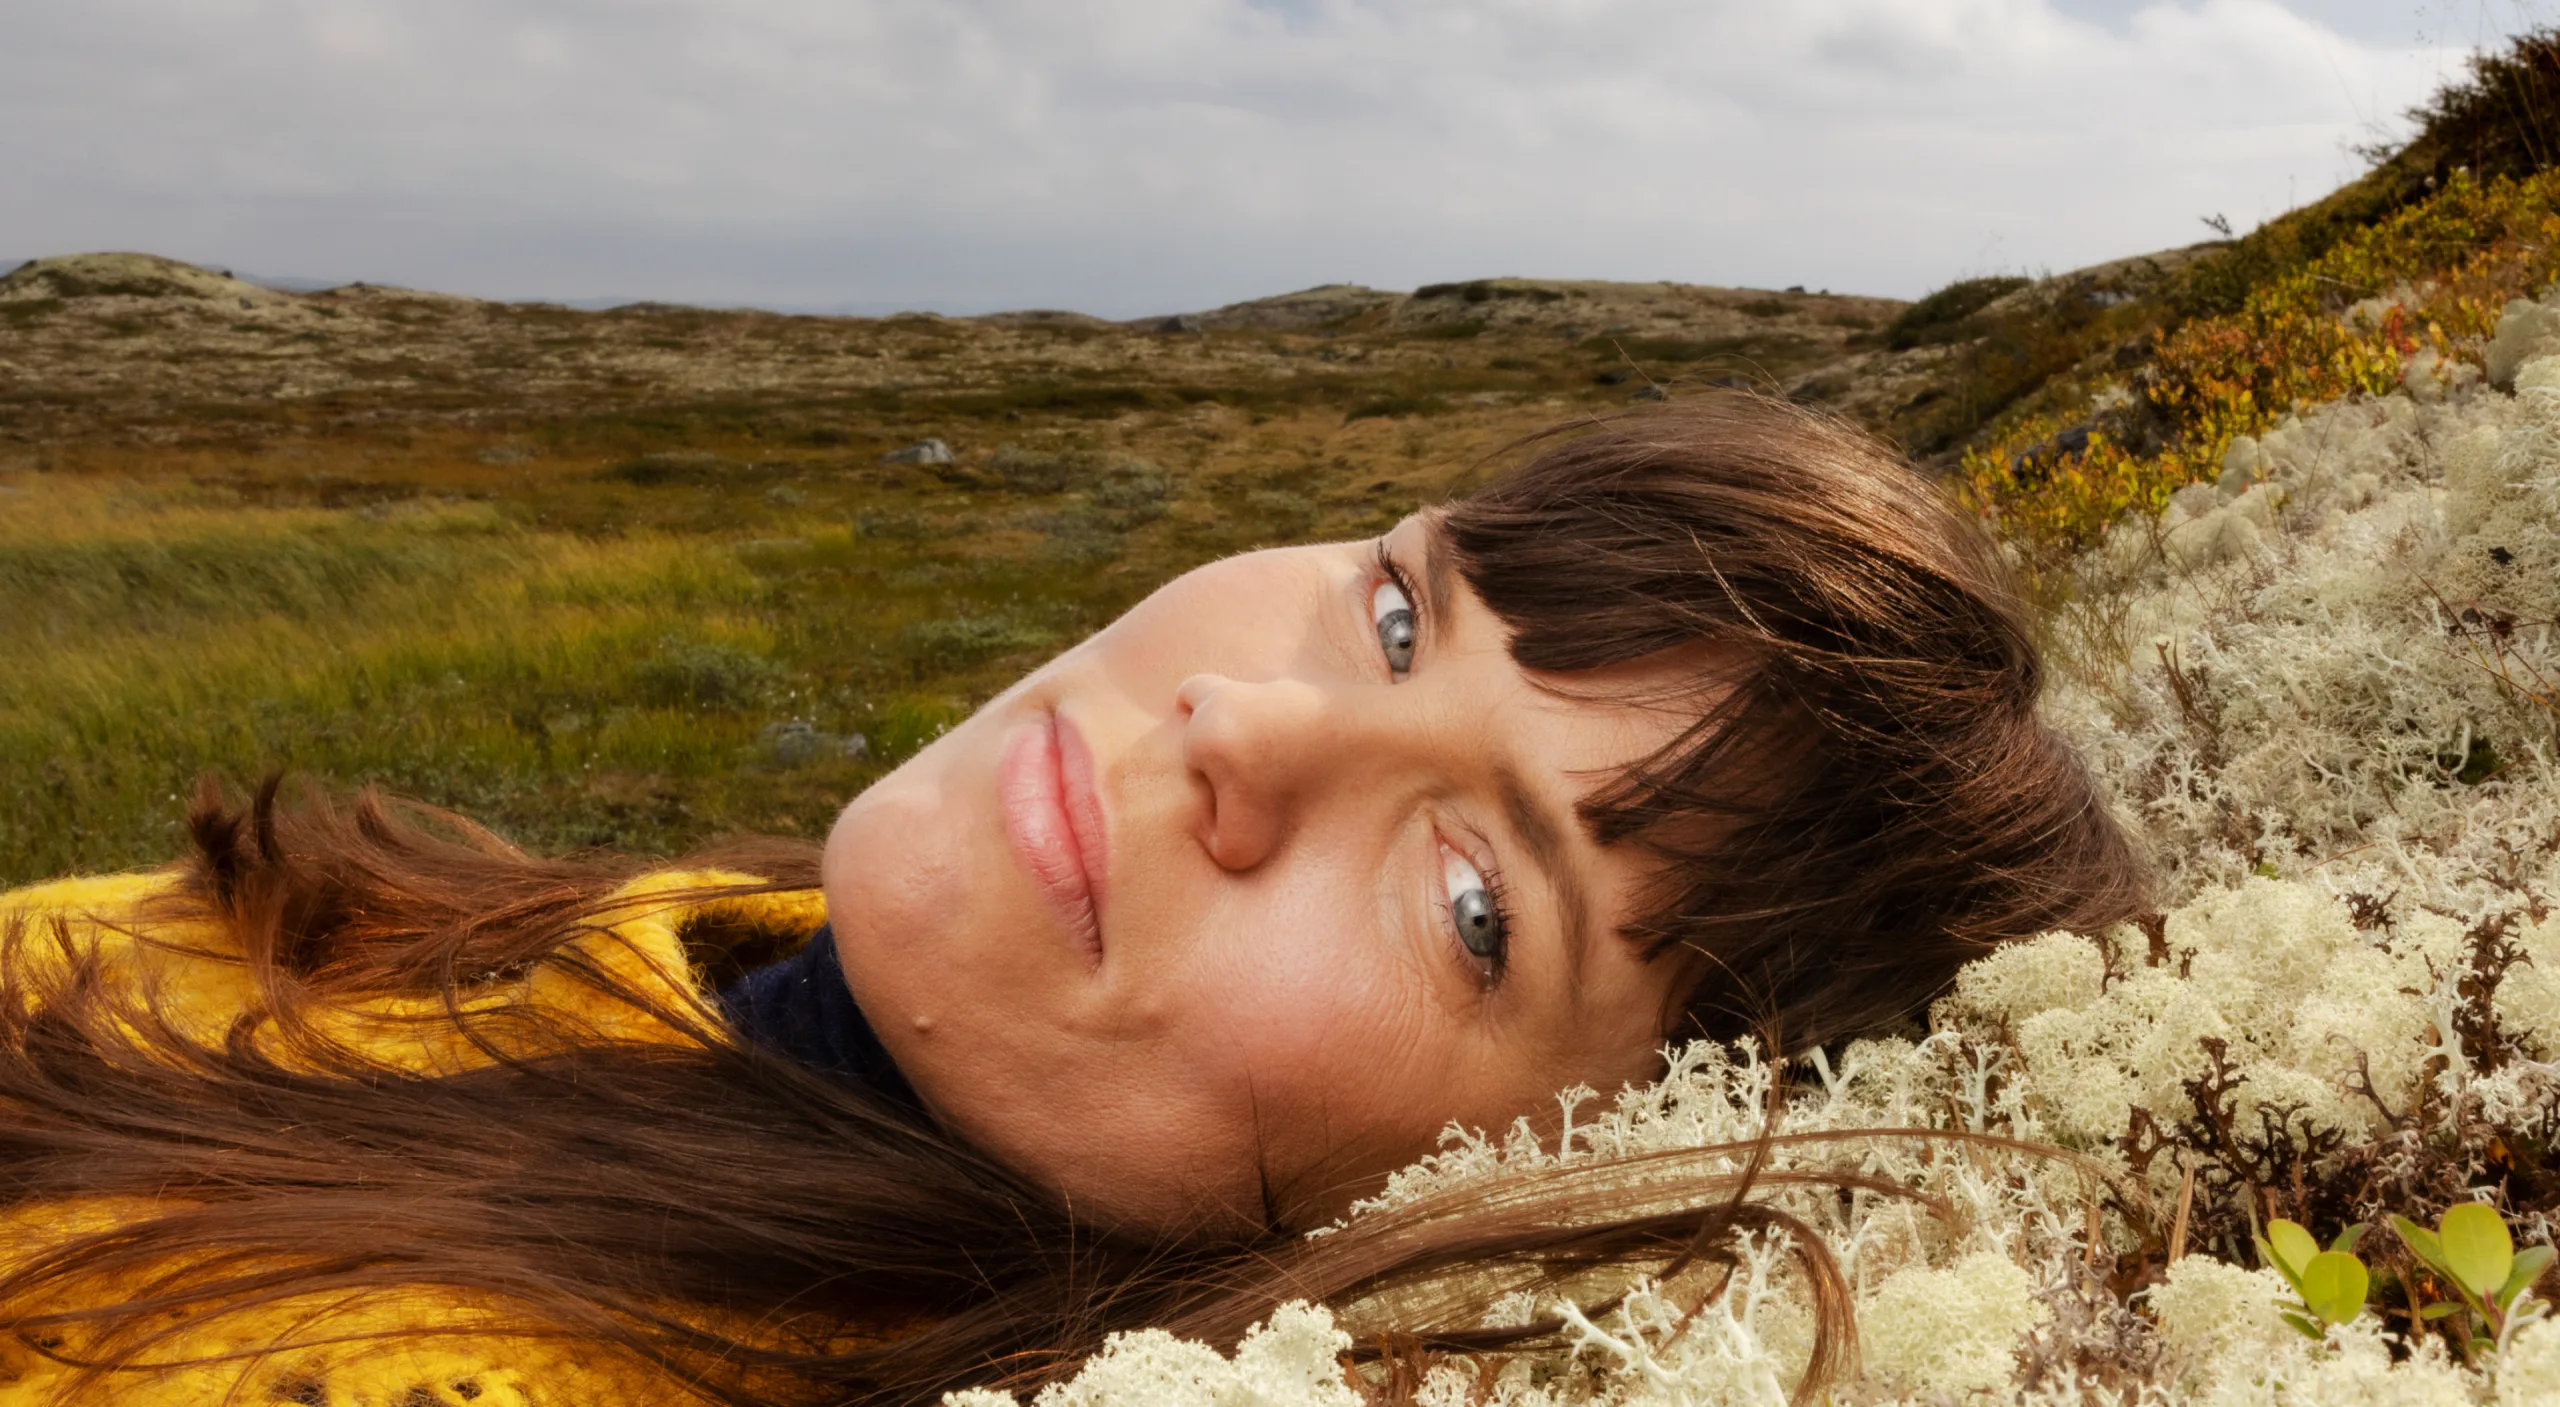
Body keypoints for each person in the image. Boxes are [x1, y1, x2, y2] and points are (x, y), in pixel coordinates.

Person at [0, 393, 2144, 1406]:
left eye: (1478, 905)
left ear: (1545, 1189)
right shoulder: (719, 954)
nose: (1244, 725)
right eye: (1402, 614)